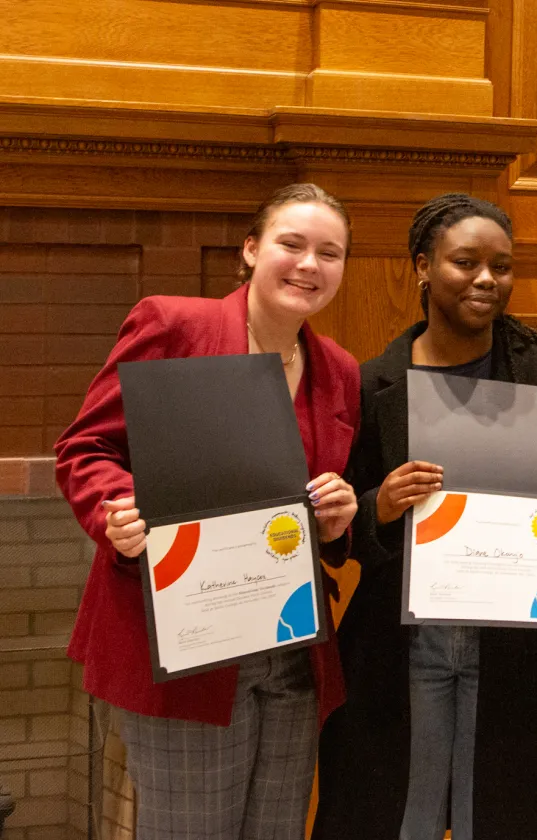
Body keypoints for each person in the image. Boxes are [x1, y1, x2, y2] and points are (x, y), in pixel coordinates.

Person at [54, 183, 361, 839]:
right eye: (292, 244)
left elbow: (321, 511)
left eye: (329, 253)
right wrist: (117, 511)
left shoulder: (338, 370)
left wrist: (340, 517)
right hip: (183, 645)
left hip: (291, 647)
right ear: (251, 249)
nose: (310, 264)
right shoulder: (174, 325)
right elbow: (86, 447)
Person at [313, 193, 537, 840]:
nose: (486, 279)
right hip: (402, 642)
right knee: (399, 816)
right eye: (465, 262)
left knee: (498, 813)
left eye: (501, 265)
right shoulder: (375, 383)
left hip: (512, 639)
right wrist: (379, 502)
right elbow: (337, 528)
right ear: (422, 266)